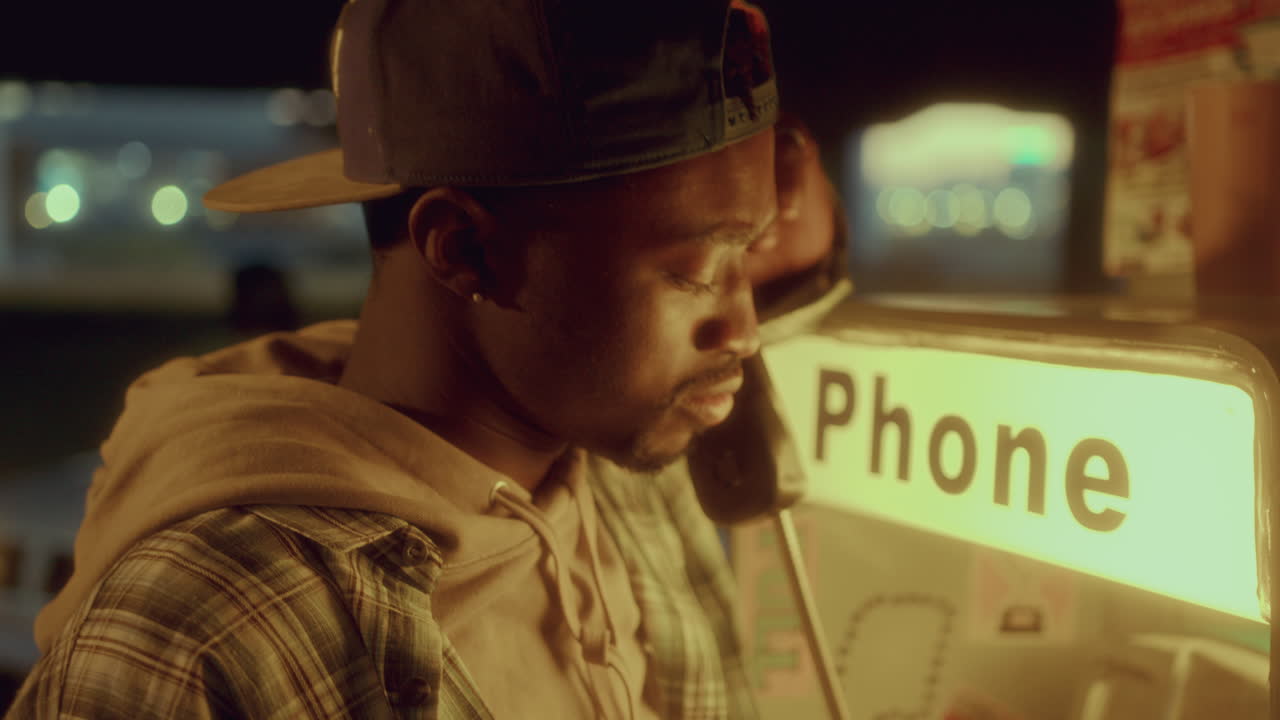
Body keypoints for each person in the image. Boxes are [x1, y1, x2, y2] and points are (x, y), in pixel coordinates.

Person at [5, 0, 850, 717]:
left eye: (752, 252)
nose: (743, 330)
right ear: (464, 252)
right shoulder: (199, 642)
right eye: (697, 271)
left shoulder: (624, 475)